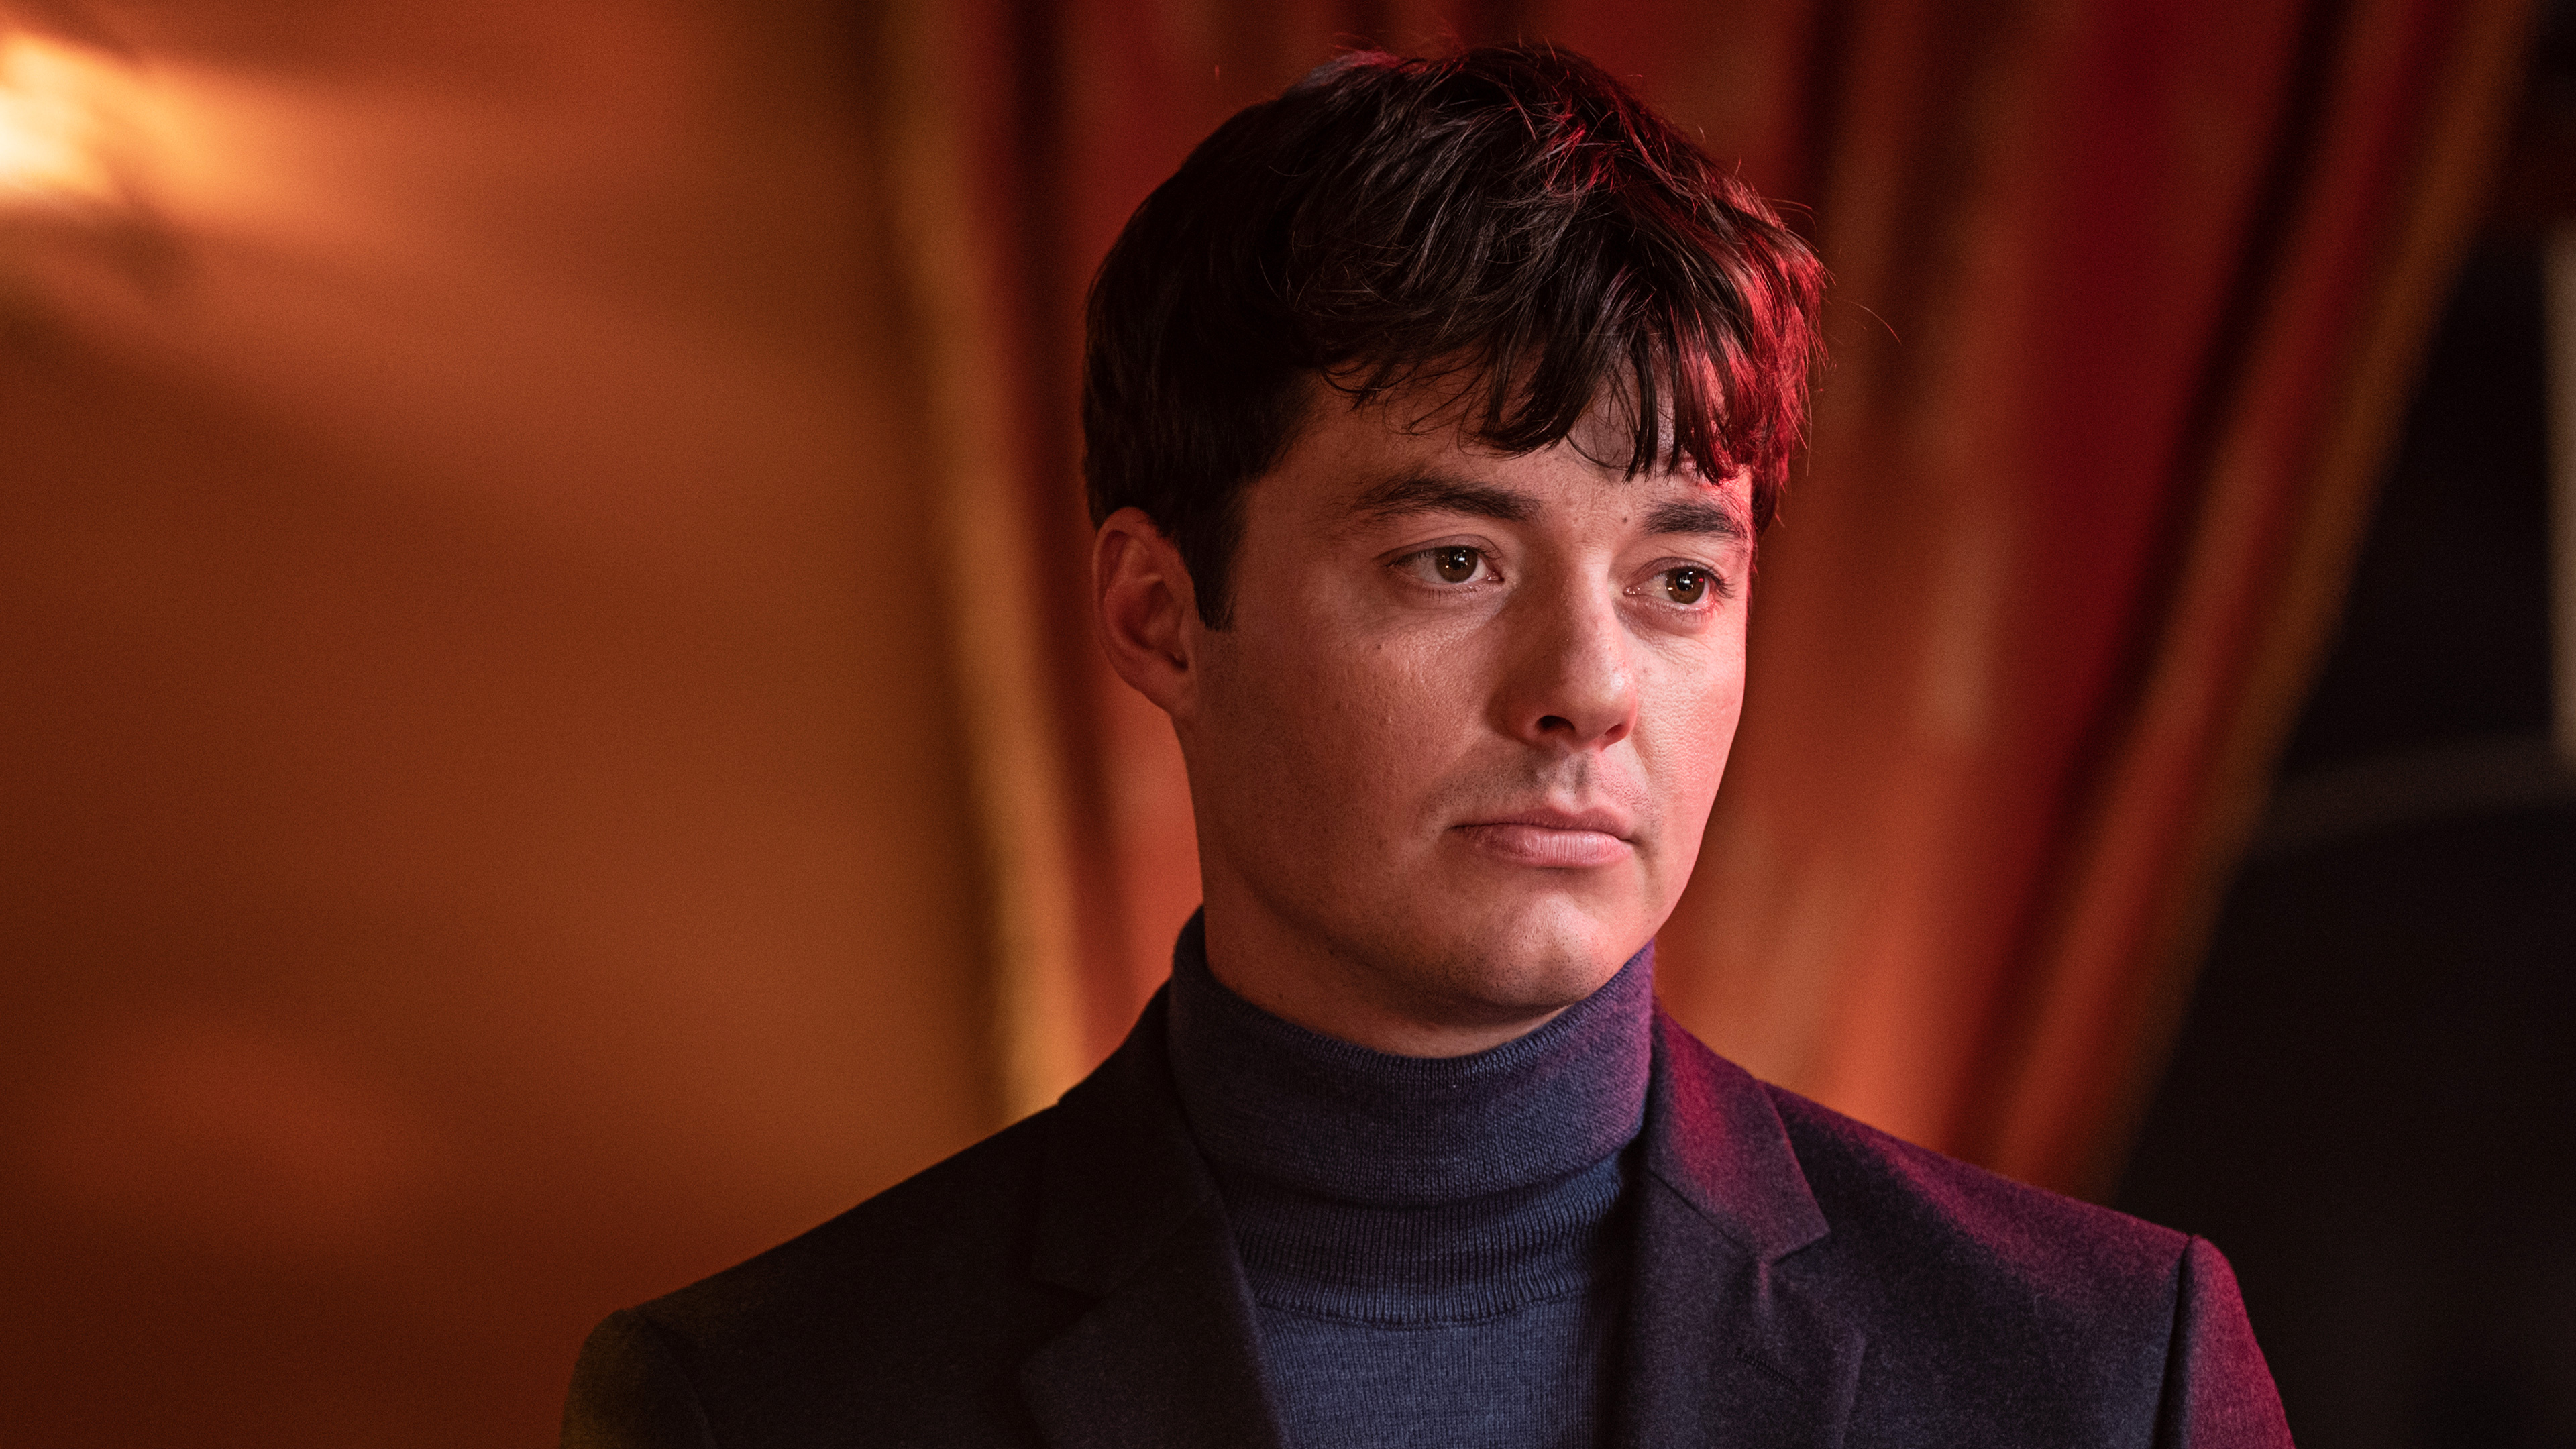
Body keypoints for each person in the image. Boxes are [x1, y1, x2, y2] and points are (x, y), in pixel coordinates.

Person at [561, 46, 2292, 1448]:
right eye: (1453, 561)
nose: (1588, 690)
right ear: (1160, 615)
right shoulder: (764, 1405)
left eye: (1680, 579)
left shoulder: (2099, 1372)